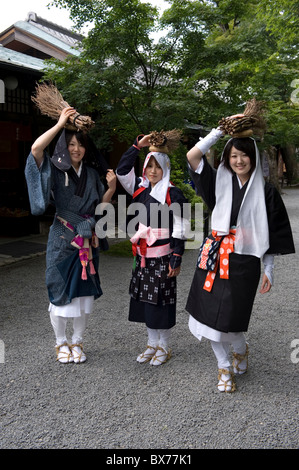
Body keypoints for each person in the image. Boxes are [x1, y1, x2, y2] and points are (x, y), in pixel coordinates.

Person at [185, 119, 295, 392]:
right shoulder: (217, 182)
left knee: (232, 316)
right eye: (233, 155)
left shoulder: (267, 191)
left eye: (244, 154)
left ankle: (240, 349)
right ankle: (224, 367)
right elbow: (192, 155)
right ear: (227, 158)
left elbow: (272, 234)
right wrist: (219, 131)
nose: (238, 160)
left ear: (253, 157)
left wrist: (268, 269)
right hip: (214, 254)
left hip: (244, 261)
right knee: (209, 315)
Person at [25, 107, 116, 363]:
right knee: (59, 292)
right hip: (62, 238)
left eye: (80, 145)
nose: (76, 149)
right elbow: (35, 150)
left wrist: (109, 190)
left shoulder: (90, 174)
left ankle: (77, 342)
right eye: (71, 144)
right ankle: (60, 342)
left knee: (83, 295)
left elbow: (98, 208)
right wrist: (61, 124)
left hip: (86, 240)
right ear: (64, 146)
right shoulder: (55, 169)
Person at [116, 133, 190, 365]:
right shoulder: (140, 189)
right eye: (150, 166)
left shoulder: (173, 193)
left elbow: (181, 225)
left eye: (158, 167)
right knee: (145, 300)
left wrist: (176, 256)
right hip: (143, 255)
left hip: (163, 255)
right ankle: (151, 343)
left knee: (161, 301)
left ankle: (164, 346)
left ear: (166, 168)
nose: (153, 171)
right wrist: (138, 145)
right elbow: (121, 170)